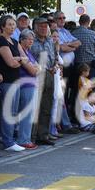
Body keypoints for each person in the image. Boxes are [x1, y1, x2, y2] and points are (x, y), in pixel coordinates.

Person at [0, 14, 28, 152]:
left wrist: (18, 59)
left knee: (13, 111)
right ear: (2, 27)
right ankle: (8, 141)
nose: (12, 27)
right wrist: (19, 60)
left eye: (13, 24)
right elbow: (11, 63)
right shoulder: (1, 41)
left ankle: (9, 138)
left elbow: (25, 58)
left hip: (15, 79)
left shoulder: (14, 40)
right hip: (6, 81)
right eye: (9, 24)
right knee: (7, 111)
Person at [30, 17, 57, 146]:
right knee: (35, 107)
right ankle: (32, 136)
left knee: (47, 106)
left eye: (46, 26)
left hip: (50, 74)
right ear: (35, 27)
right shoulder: (31, 40)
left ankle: (43, 135)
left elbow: (55, 55)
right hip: (36, 74)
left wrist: (55, 65)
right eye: (41, 26)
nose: (44, 28)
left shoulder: (50, 41)